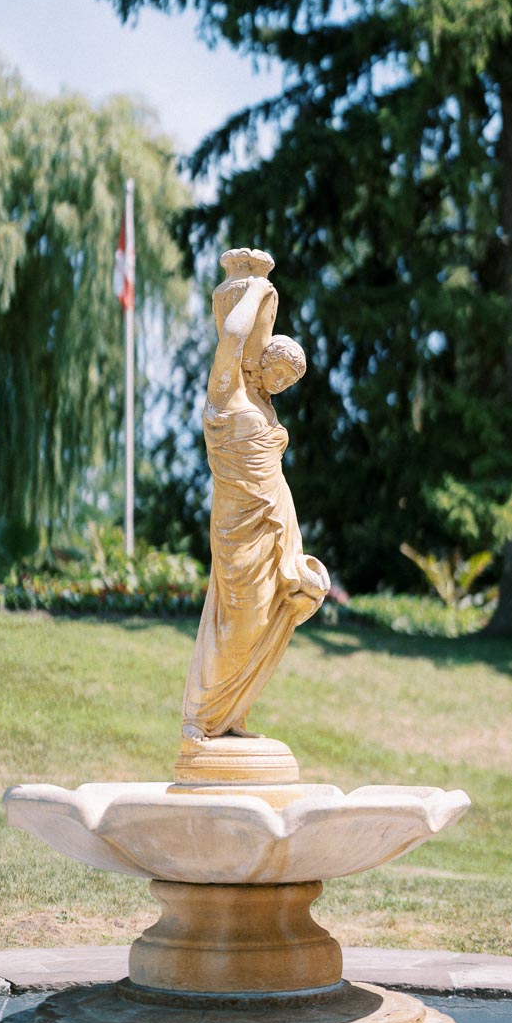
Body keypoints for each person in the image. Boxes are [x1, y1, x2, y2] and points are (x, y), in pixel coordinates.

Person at [182, 275, 330, 741]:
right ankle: (200, 717)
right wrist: (258, 288)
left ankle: (232, 715)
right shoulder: (227, 395)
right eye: (279, 371)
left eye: (290, 380)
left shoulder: (266, 410)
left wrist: (294, 545)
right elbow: (231, 334)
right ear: (262, 358)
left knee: (267, 614)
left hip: (274, 523)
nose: (282, 384)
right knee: (241, 616)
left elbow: (275, 478)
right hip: (237, 525)